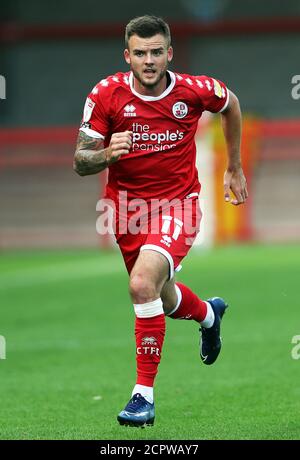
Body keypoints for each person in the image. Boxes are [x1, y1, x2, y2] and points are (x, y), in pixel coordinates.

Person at [74, 15, 247, 428]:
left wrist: (234, 167)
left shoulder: (194, 89)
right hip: (128, 211)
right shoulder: (106, 94)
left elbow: (231, 104)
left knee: (140, 285)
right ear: (127, 56)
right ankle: (207, 314)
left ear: (169, 53)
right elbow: (82, 160)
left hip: (179, 205)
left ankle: (142, 397)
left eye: (156, 52)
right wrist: (105, 155)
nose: (148, 60)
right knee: (160, 296)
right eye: (140, 53)